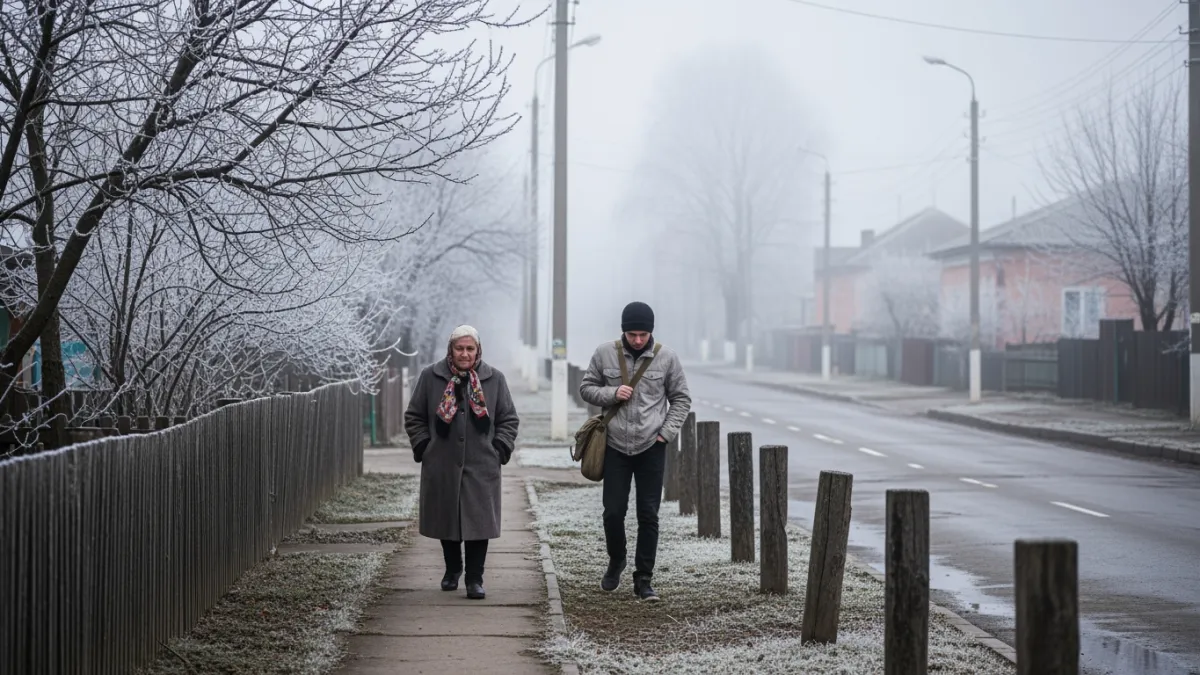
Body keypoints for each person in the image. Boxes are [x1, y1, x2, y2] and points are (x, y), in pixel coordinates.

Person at [579, 301, 691, 601]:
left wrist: (665, 435)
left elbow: (681, 399)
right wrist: (612, 393)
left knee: (648, 514)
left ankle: (644, 579)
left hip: (651, 447)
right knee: (613, 512)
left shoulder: (667, 357)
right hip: (614, 445)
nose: (638, 340)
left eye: (643, 334)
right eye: (632, 334)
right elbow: (586, 387)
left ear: (651, 332)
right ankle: (617, 560)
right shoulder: (605, 353)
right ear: (623, 331)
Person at [404, 325, 520, 600]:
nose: (464, 354)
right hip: (442, 462)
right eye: (460, 348)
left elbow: (508, 419)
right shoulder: (431, 377)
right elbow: (414, 416)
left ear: (478, 350)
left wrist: (499, 448)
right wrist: (425, 446)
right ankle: (453, 569)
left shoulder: (495, 379)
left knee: (479, 522)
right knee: (448, 518)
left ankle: (475, 579)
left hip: (482, 464)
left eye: (470, 349)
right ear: (450, 350)